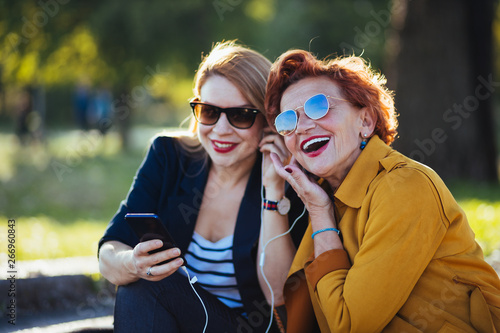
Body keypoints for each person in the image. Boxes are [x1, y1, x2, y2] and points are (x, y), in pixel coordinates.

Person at [259, 49, 500, 332]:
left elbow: (350, 325)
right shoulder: (326, 194)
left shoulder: (405, 185)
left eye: (318, 107)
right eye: (288, 121)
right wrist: (276, 190)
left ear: (366, 121)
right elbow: (287, 305)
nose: (303, 127)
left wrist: (320, 215)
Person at [98, 40, 308, 333]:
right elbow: (109, 251)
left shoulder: (289, 179)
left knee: (151, 285)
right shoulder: (168, 156)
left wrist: (273, 192)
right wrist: (133, 263)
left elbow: (279, 296)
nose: (221, 129)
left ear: (267, 122)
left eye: (240, 115)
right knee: (141, 282)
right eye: (209, 111)